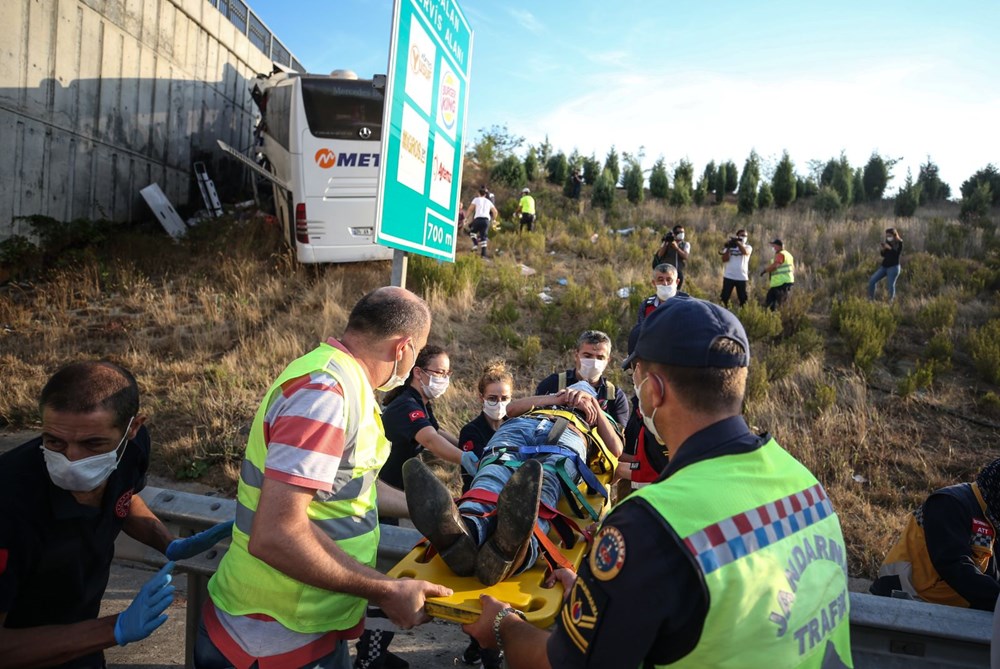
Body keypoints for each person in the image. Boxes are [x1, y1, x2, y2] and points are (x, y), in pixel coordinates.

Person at [461, 297, 854, 668]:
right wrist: (601, 592)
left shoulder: (649, 525)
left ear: (653, 390)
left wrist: (502, 625)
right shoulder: (805, 485)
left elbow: (559, 663)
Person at [197, 287, 452, 669]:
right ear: (404, 349)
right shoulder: (325, 394)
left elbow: (347, 485)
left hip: (306, 623)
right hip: (272, 633)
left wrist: (435, 508)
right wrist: (385, 591)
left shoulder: (340, 381)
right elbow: (277, 533)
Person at [0, 360, 231, 669]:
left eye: (92, 444)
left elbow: (123, 498)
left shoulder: (130, 451)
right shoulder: (10, 504)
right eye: (54, 441)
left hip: (82, 644)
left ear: (132, 428)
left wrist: (167, 542)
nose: (71, 460)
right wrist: (116, 627)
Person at [403, 383, 623, 587]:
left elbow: (616, 449)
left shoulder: (599, 415)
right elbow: (511, 410)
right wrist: (556, 398)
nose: (575, 396)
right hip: (522, 426)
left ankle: (515, 549)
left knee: (545, 483)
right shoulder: (543, 401)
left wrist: (593, 407)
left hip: (571, 433)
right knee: (495, 469)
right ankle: (466, 531)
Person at [870, 458, 1000, 611]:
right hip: (902, 599)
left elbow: (992, 576)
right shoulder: (950, 504)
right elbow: (954, 565)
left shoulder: (992, 515)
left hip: (943, 610)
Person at [379, 344, 475, 499]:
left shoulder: (421, 402)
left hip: (394, 485)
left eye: (447, 374)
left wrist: (466, 447)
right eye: (439, 372)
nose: (444, 379)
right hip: (383, 487)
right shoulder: (406, 405)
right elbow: (430, 440)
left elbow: (435, 431)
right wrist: (464, 458)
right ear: (418, 372)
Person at [535, 330, 630, 428]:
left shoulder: (614, 396)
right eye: (587, 356)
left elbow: (620, 435)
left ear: (608, 360)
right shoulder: (553, 383)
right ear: (576, 355)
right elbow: (532, 417)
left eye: (600, 357)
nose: (594, 362)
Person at [720, 228, 752, 308]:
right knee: (724, 298)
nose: (744, 237)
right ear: (737, 236)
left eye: (745, 236)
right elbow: (724, 259)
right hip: (729, 276)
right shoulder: (731, 247)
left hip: (742, 277)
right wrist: (728, 248)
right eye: (742, 235)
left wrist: (738, 243)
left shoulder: (748, 247)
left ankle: (743, 315)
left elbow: (745, 252)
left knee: (743, 300)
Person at [868, 227, 903, 302]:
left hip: (893, 267)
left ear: (894, 235)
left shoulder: (899, 243)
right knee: (872, 280)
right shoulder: (887, 242)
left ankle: (891, 303)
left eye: (889, 236)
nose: (888, 237)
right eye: (887, 236)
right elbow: (883, 255)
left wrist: (889, 248)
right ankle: (871, 300)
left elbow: (896, 254)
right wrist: (883, 249)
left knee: (890, 286)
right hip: (884, 266)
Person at [652, 225, 691, 290]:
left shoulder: (685, 244)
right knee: (667, 291)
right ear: (674, 233)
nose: (682, 234)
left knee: (677, 292)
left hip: (678, 272)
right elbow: (660, 255)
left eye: (683, 232)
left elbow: (685, 256)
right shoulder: (667, 243)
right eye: (679, 232)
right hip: (667, 273)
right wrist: (666, 243)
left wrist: (677, 248)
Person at [761, 238, 795, 310]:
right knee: (774, 302)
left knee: (777, 303)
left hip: (781, 283)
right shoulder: (788, 255)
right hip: (783, 283)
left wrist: (765, 271)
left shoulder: (780, 254)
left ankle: (776, 318)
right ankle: (772, 317)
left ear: (779, 246)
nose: (773, 248)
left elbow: (775, 266)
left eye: (774, 246)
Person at [465, 188, 498, 259]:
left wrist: (466, 218)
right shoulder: (488, 201)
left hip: (478, 219)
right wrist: (494, 220)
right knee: (484, 237)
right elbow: (495, 211)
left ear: (478, 193)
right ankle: (483, 255)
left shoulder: (476, 199)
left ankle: (475, 244)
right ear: (485, 195)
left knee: (472, 233)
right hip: (486, 220)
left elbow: (470, 209)